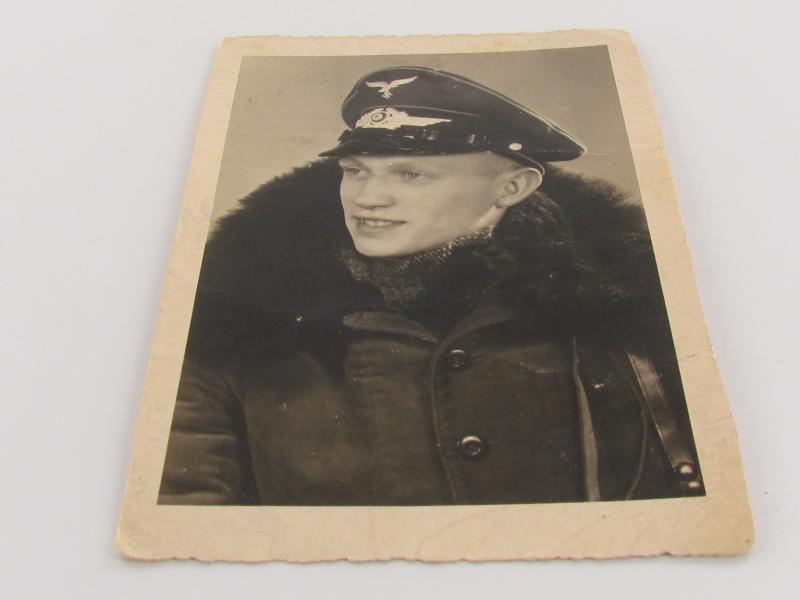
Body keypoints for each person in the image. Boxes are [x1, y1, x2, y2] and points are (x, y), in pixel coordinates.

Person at [158, 66, 704, 506]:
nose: (366, 198)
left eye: (411, 174)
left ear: (513, 187)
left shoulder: (621, 309)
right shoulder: (238, 321)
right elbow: (188, 514)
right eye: (355, 170)